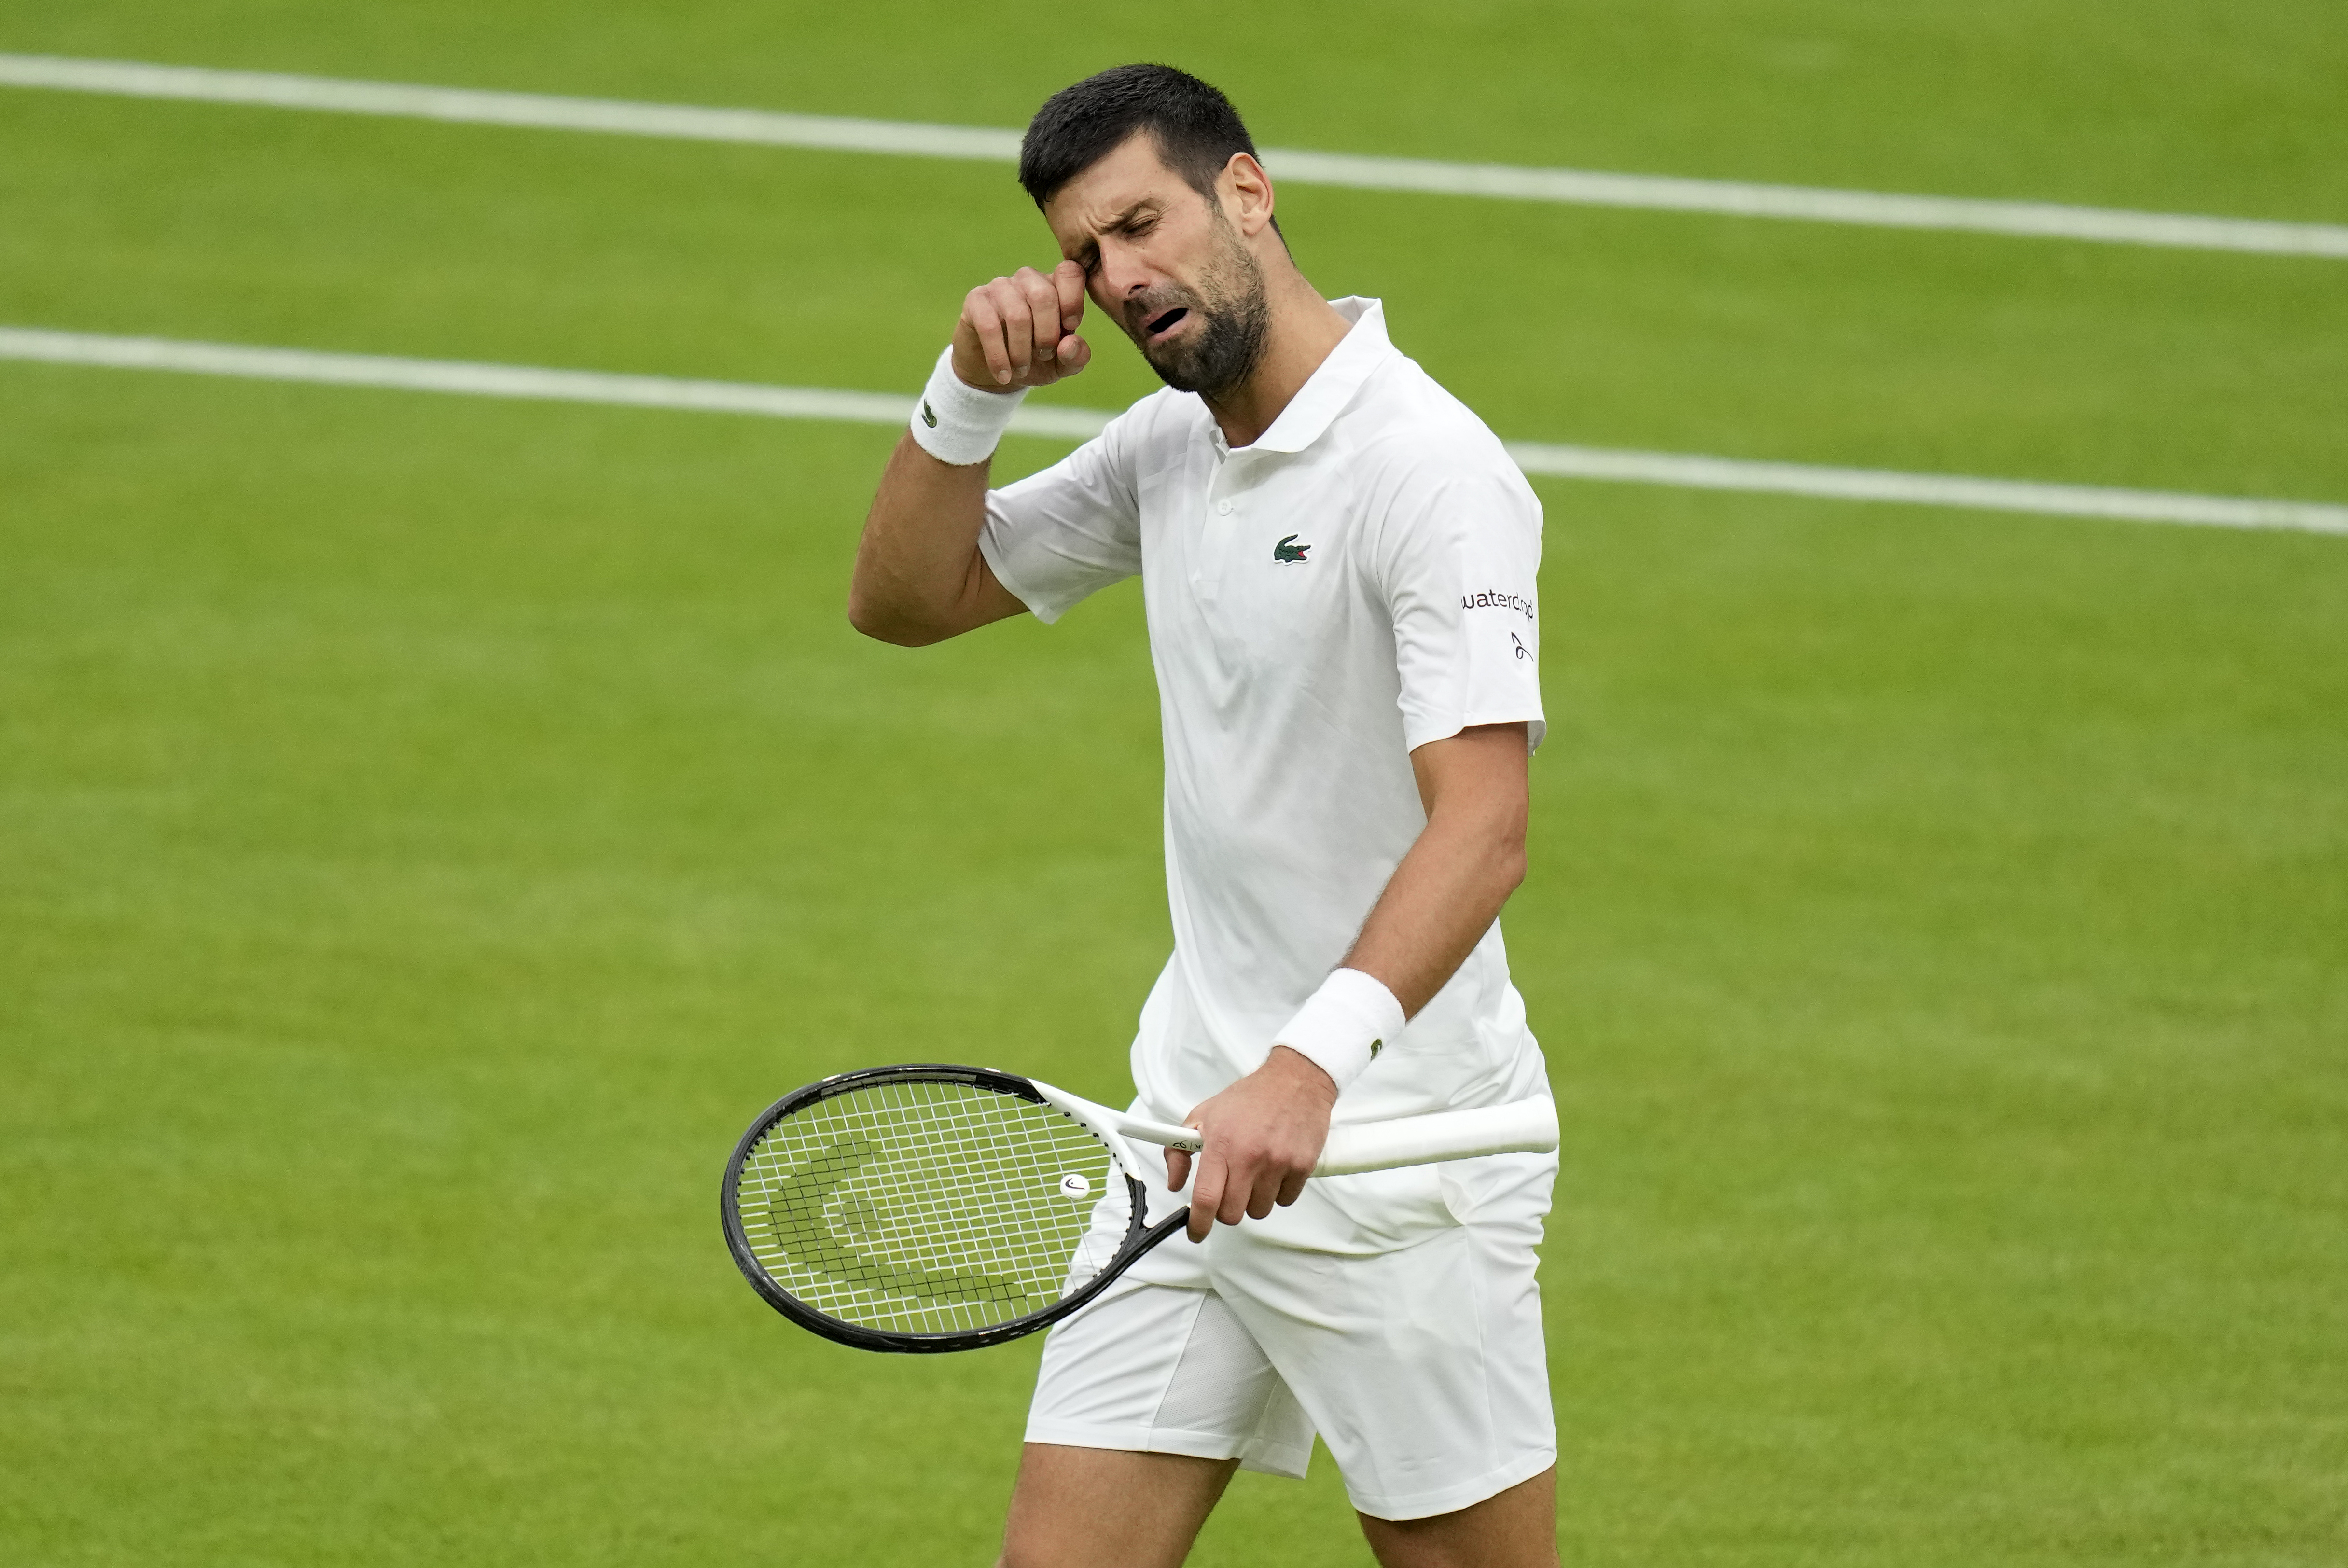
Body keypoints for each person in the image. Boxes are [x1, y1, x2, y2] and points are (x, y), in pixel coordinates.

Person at [848, 62, 1558, 1568]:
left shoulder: (1429, 473)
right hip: (1182, 1139)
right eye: (1086, 254)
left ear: (1245, 190)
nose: (1119, 279)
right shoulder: (1168, 447)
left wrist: (1306, 1068)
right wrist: (969, 394)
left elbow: (1484, 825)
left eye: (1140, 225)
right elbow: (906, 600)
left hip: (1390, 1164)